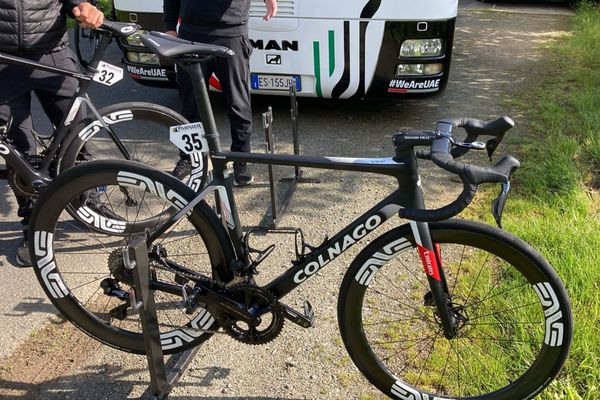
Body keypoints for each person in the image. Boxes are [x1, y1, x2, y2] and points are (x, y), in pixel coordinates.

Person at [0, 0, 104, 267]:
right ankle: (34, 222)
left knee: (77, 137)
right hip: (4, 61)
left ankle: (89, 203)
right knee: (19, 150)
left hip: (52, 54)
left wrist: (82, 6)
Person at [163, 0, 278, 186]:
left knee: (238, 104)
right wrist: (170, 26)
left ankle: (241, 162)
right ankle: (190, 158)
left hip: (231, 33)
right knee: (190, 104)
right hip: (191, 33)